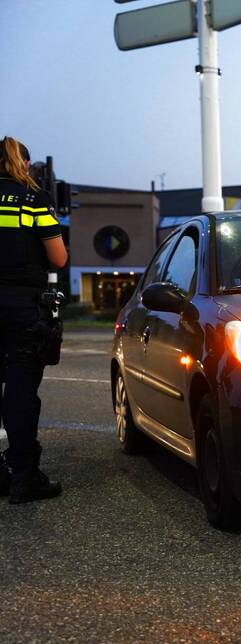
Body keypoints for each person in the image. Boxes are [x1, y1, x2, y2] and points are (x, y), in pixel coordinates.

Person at [0, 136, 67, 504]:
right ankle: (23, 477)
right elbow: (58, 258)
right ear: (24, 164)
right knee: (21, 392)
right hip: (21, 307)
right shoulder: (32, 199)